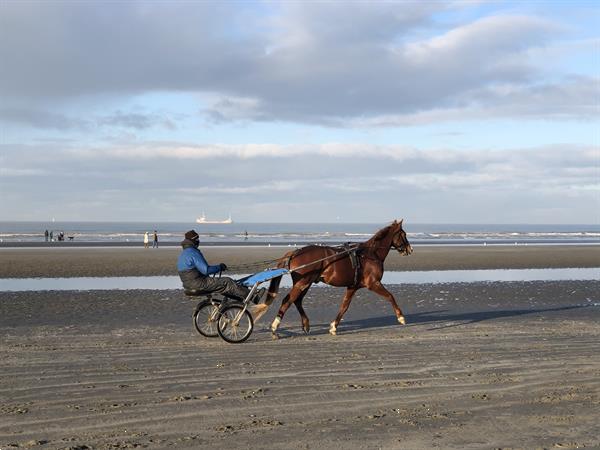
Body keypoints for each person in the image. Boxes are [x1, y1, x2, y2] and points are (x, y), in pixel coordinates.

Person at [177, 230, 260, 301]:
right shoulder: (193, 252)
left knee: (222, 284)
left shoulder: (183, 253)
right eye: (197, 239)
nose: (199, 241)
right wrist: (219, 267)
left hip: (188, 284)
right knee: (227, 281)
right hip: (198, 283)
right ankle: (253, 297)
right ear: (194, 240)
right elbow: (206, 270)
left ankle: (239, 298)